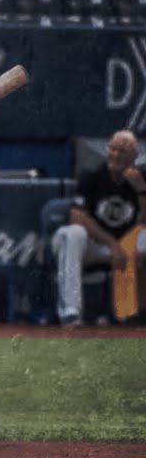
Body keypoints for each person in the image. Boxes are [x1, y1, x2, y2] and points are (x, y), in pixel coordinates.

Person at [51, 130, 146, 327]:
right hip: (95, 247)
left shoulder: (140, 179)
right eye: (113, 149)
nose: (117, 155)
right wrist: (112, 244)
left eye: (123, 151)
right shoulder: (93, 175)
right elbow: (77, 216)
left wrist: (142, 190)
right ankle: (71, 312)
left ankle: (138, 313)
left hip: (126, 247)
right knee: (72, 233)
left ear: (134, 156)